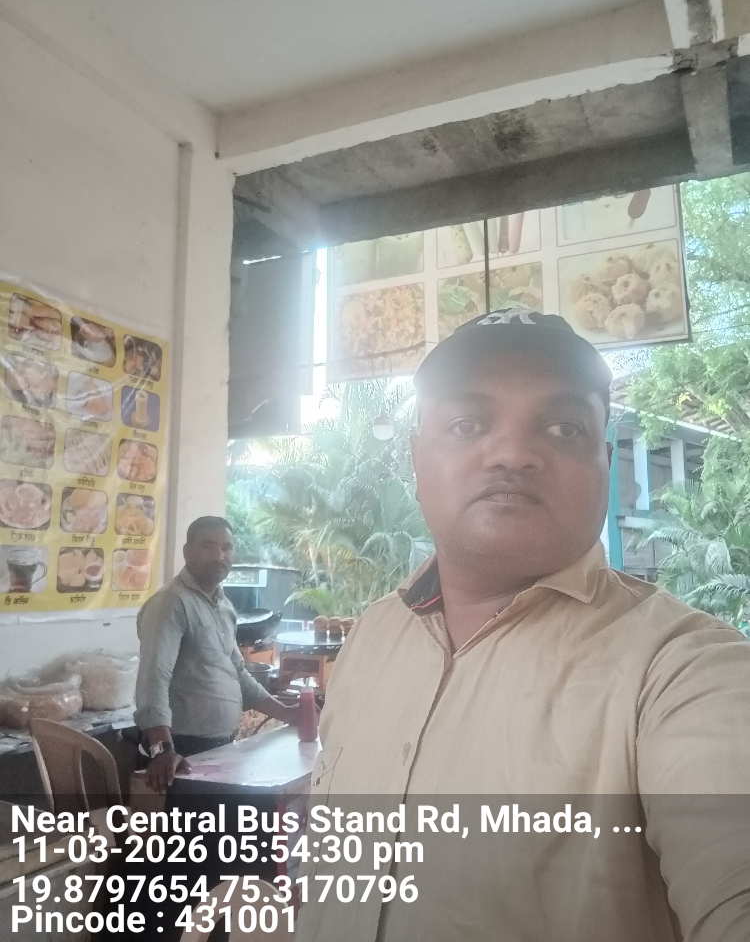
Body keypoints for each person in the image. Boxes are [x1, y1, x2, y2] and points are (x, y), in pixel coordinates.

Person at [298, 309, 750, 942]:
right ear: (418, 462)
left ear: (604, 464)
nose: (512, 453)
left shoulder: (683, 671)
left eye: (563, 427)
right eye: (467, 424)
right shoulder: (373, 636)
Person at [134, 516, 297, 792]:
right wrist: (162, 750)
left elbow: (238, 673)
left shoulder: (224, 607)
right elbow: (154, 675)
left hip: (218, 748)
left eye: (226, 548)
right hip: (179, 753)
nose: (219, 555)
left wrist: (287, 714)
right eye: (208, 546)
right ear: (187, 552)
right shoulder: (170, 604)